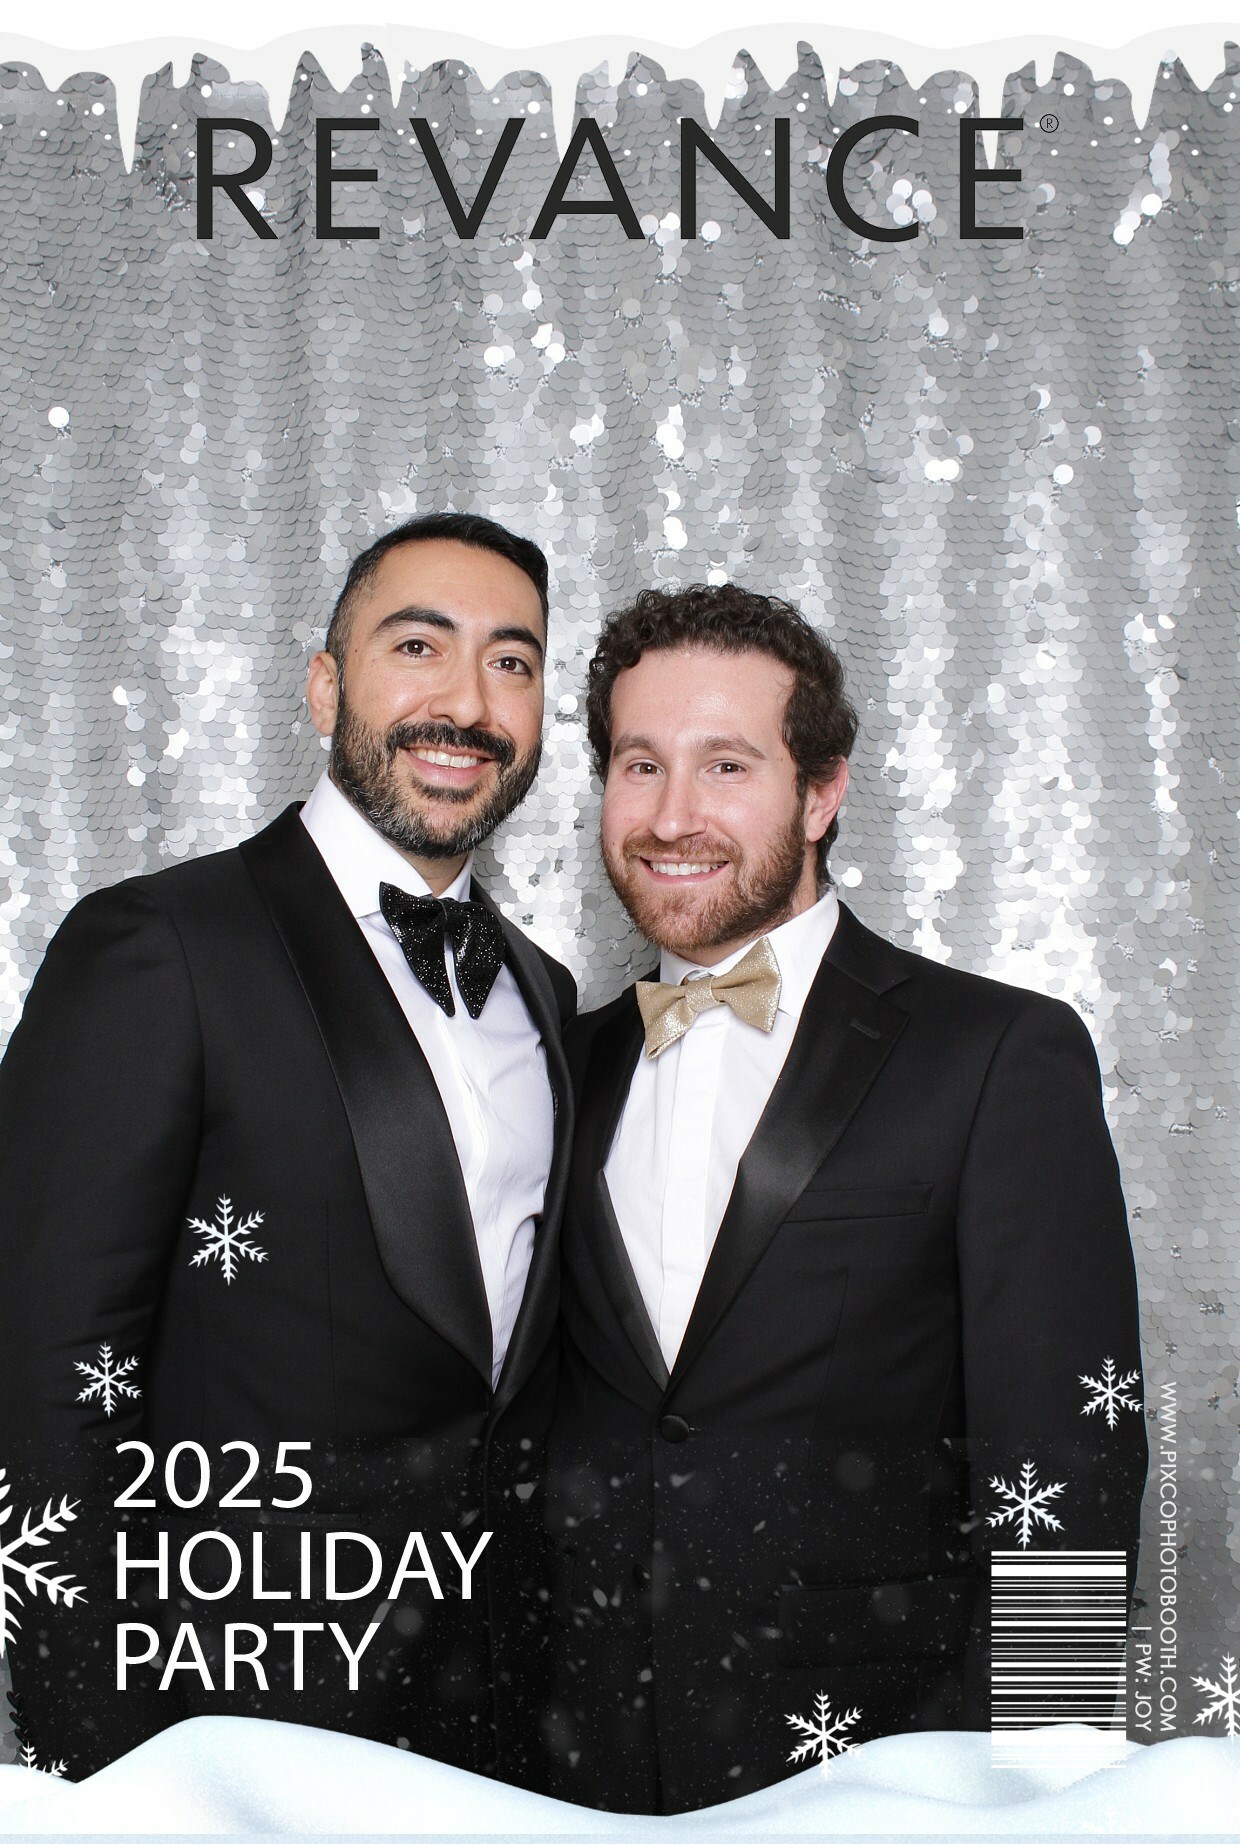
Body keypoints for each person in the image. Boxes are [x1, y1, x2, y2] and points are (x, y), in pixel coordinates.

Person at [544, 583, 1147, 1814]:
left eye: (726, 765)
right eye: (639, 764)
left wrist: (1046, 1788)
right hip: (570, 1774)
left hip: (885, 1779)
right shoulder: (554, 1063)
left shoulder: (994, 1054)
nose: (671, 814)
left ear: (821, 792)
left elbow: (1070, 1462)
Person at [0, 512, 573, 1784]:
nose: (466, 701)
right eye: (417, 645)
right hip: (225, 1726)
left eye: (512, 662)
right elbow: (42, 1378)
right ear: (324, 686)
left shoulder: (544, 988)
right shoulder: (159, 946)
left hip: (503, 1729)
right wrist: (93, 1762)